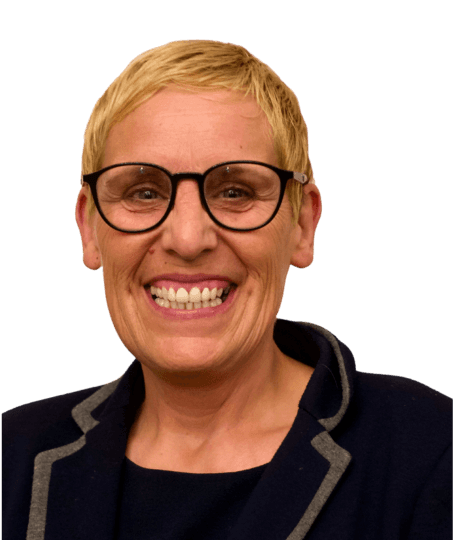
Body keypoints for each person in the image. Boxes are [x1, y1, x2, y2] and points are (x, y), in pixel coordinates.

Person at [2, 39, 451, 540]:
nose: (187, 238)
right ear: (89, 229)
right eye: (143, 192)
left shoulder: (432, 451)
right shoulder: (10, 457)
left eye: (235, 191)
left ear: (302, 225)